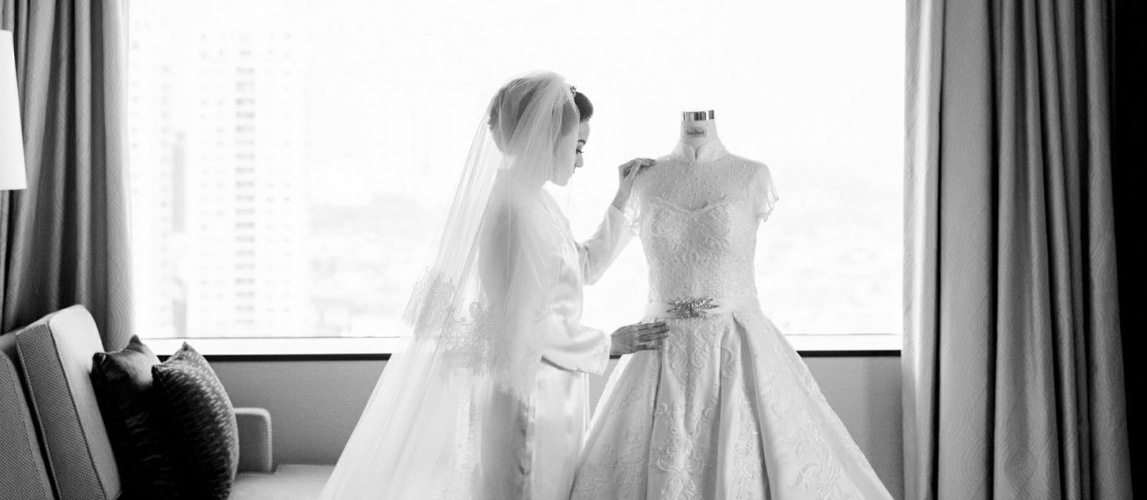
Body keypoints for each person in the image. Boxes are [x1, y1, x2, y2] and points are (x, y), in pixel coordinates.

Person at [320, 71, 667, 500]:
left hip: (553, 388)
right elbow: (526, 322)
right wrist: (610, 342)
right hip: (532, 395)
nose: (579, 162)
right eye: (577, 147)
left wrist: (623, 200)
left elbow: (583, 267)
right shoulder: (514, 211)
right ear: (546, 137)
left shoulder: (533, 201)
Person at [569, 111, 895, 499]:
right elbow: (589, 266)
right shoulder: (643, 181)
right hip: (658, 348)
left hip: (737, 347)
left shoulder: (753, 175)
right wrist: (621, 196)